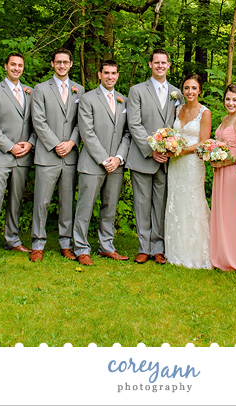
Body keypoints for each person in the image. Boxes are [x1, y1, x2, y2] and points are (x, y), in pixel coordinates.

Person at [0, 52, 36, 268]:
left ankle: (12, 239)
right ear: (6, 66)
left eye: (20, 65)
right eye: (13, 65)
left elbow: (35, 122)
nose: (16, 69)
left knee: (16, 201)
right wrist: (9, 146)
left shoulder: (30, 91)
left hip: (23, 156)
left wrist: (29, 143)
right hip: (1, 155)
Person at [73, 60, 132, 266]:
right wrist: (104, 159)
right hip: (92, 163)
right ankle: (81, 247)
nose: (110, 76)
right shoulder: (87, 99)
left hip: (116, 164)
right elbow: (86, 132)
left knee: (110, 206)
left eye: (114, 73)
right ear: (99, 75)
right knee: (85, 206)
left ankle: (106, 246)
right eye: (106, 73)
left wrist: (118, 158)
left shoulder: (124, 100)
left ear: (117, 75)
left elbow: (127, 133)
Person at [29, 48, 85, 263]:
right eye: (58, 62)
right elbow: (38, 121)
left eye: (65, 62)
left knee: (67, 201)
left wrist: (71, 142)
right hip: (47, 154)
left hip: (70, 155)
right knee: (41, 201)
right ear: (52, 64)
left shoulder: (79, 90)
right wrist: (55, 144)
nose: (62, 65)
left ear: (71, 64)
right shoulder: (41, 89)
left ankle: (65, 243)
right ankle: (37, 243)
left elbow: (82, 122)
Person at [126, 48, 180, 265]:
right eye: (156, 62)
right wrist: (152, 149)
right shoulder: (137, 90)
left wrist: (168, 148)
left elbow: (178, 124)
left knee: (160, 204)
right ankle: (143, 247)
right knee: (141, 203)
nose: (160, 66)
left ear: (169, 65)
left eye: (163, 63)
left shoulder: (177, 93)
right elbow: (134, 123)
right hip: (143, 157)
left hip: (166, 160)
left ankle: (158, 247)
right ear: (150, 65)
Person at [163, 72, 213, 269]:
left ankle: (196, 252)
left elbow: (203, 143)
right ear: (182, 90)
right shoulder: (177, 109)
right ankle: (175, 250)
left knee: (193, 203)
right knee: (176, 202)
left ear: (200, 90)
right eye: (186, 88)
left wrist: (179, 150)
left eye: (194, 88)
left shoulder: (205, 112)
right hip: (175, 165)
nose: (190, 91)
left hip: (192, 163)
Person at [209, 83, 236, 273]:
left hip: (233, 172)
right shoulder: (226, 119)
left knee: (233, 215)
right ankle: (223, 255)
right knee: (223, 213)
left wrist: (225, 163)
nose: (230, 103)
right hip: (221, 171)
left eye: (235, 100)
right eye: (228, 99)